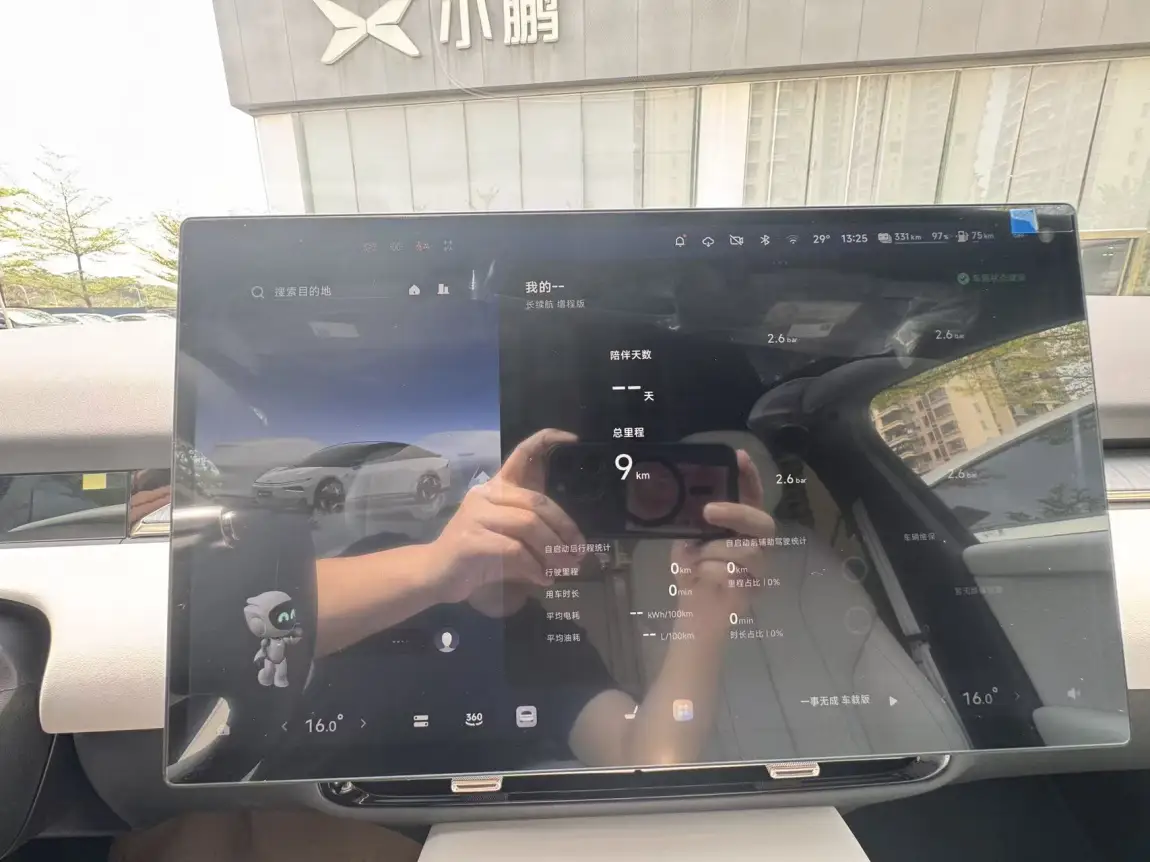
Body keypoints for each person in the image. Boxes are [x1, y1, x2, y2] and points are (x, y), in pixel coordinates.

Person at [304, 428, 775, 770]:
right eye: (552, 489)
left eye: (590, 507)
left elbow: (646, 759)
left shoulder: (557, 650)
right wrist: (438, 569)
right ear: (492, 491)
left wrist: (705, 613)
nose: (550, 518)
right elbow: (277, 621)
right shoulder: (389, 557)